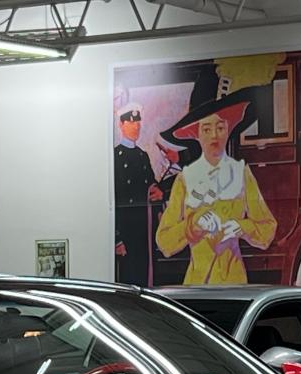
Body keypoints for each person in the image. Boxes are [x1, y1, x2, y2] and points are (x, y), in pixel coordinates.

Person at [155, 92, 277, 285]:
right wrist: (194, 226)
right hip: (197, 284)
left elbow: (267, 229)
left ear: (228, 130)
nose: (214, 135)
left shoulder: (241, 173)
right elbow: (164, 240)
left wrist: (242, 227)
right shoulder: (185, 178)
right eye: (206, 128)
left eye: (220, 127)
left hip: (234, 282)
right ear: (196, 134)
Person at [114, 104, 163, 286]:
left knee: (145, 277)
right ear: (121, 125)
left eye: (138, 124)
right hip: (125, 231)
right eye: (131, 123)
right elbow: (113, 201)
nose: (136, 127)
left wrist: (158, 192)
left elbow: (151, 185)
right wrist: (116, 239)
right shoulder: (115, 157)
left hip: (144, 228)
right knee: (128, 281)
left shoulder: (143, 156)